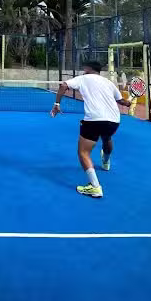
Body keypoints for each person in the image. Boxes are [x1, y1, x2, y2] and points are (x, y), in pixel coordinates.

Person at [51, 61, 132, 199]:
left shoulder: (83, 78)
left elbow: (64, 85)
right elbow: (122, 102)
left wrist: (57, 104)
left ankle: (95, 187)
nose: (83, 70)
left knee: (83, 152)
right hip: (114, 120)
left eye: (84, 68)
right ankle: (106, 162)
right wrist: (128, 102)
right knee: (107, 138)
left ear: (89, 69)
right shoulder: (108, 83)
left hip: (94, 120)